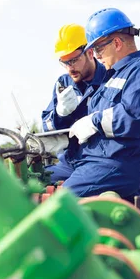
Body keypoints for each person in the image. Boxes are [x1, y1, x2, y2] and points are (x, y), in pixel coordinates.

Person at [62, 8, 140, 203]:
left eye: (98, 49)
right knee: (37, 181)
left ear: (117, 43)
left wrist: (93, 121)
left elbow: (133, 117)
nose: (96, 56)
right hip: (95, 160)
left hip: (117, 164)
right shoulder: (114, 75)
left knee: (61, 202)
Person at [41, 23, 106, 183]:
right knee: (36, 184)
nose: (70, 68)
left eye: (74, 60)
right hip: (69, 162)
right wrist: (60, 113)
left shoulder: (108, 79)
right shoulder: (63, 83)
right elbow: (48, 128)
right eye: (65, 62)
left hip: (98, 161)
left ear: (90, 53)